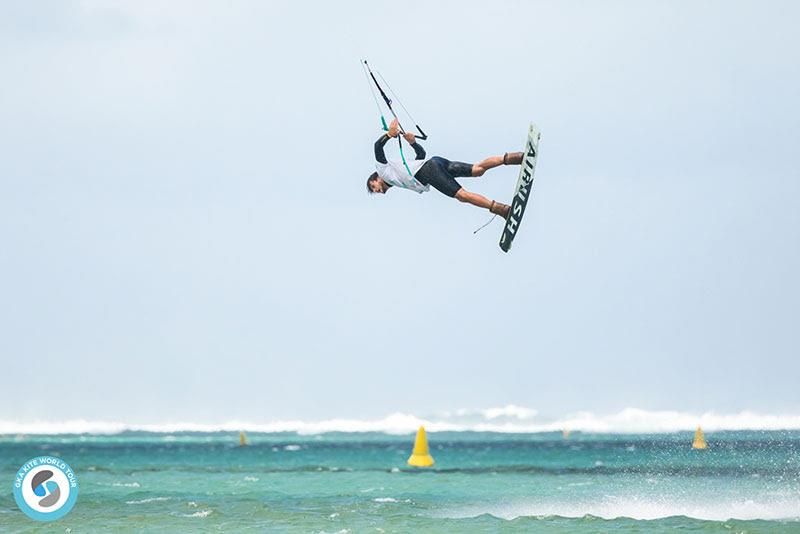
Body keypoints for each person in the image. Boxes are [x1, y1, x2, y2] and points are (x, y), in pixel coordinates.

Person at [366, 119, 522, 217]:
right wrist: (413, 142)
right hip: (435, 163)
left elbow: (377, 147)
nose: (378, 191)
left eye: (374, 187)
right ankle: (514, 157)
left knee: (462, 196)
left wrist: (389, 134)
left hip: (430, 171)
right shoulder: (396, 175)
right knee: (478, 169)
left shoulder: (383, 171)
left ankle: (502, 210)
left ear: (376, 178)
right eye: (376, 192)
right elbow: (421, 155)